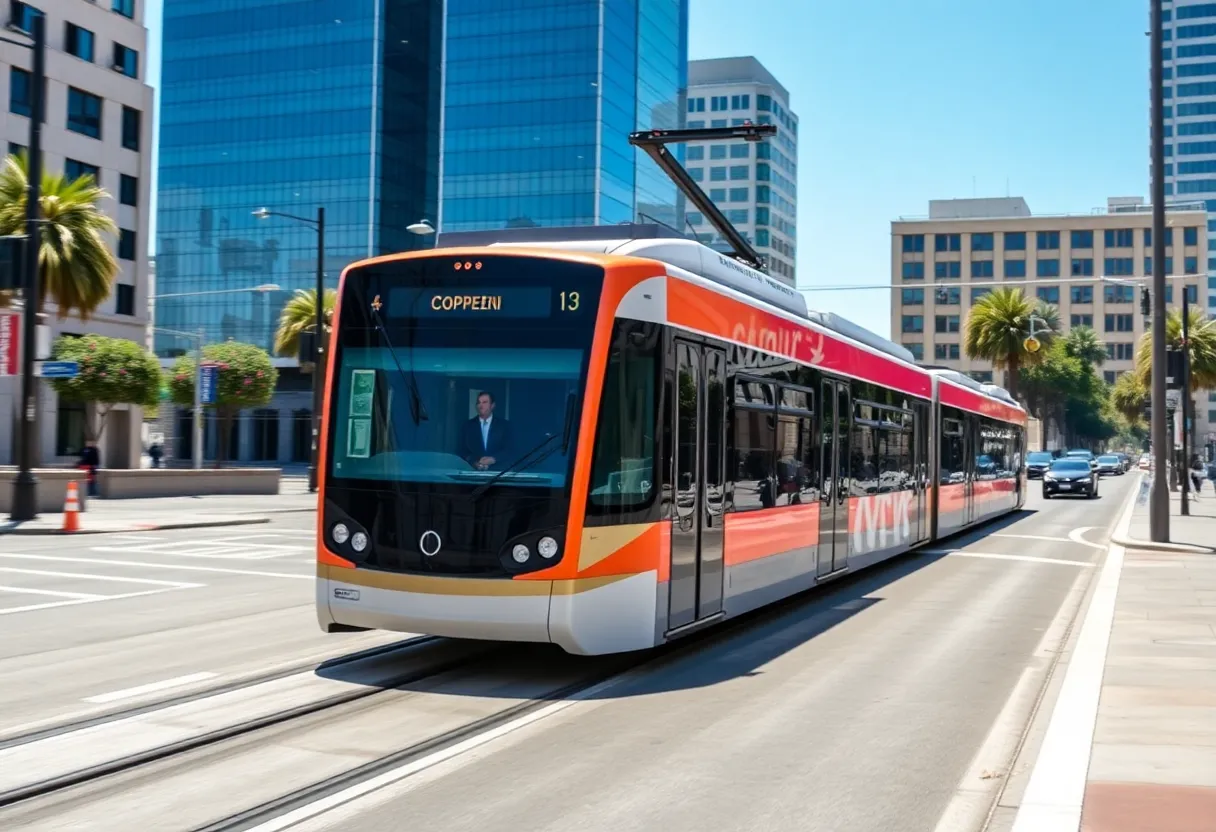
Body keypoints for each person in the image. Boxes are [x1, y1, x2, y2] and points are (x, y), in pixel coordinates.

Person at [461, 391, 512, 470]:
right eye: (478, 403)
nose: (481, 406)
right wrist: (474, 462)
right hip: (472, 474)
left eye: (484, 402)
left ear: (492, 405)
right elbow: (461, 450)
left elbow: (510, 449)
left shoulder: (504, 426)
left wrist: (493, 459)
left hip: (499, 474)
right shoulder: (467, 426)